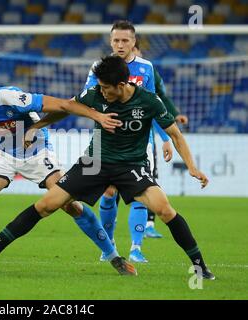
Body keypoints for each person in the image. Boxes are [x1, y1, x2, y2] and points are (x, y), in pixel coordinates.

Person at [0, 55, 215, 280]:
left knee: (165, 210)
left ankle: (200, 266)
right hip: (94, 161)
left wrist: (192, 167)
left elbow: (175, 134)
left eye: (106, 88)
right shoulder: (95, 94)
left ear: (121, 85)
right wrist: (35, 127)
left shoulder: (149, 101)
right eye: (100, 87)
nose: (102, 92)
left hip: (131, 166)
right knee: (46, 205)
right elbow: (64, 108)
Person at [0, 80, 136, 275]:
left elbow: (63, 105)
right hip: (3, 154)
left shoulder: (11, 98)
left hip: (38, 152)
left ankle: (113, 256)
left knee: (70, 205)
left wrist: (97, 116)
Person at [26, 20, 172, 263]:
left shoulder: (147, 68)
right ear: (110, 41)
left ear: (134, 42)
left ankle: (136, 247)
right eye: (116, 40)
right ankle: (109, 245)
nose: (120, 45)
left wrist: (165, 138)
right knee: (109, 191)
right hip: (105, 140)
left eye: (125, 40)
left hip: (139, 141)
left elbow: (152, 107)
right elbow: (84, 102)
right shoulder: (98, 68)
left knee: (140, 192)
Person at [132, 39, 190, 238]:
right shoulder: (114, 72)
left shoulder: (148, 71)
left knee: (149, 179)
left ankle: (148, 224)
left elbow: (159, 100)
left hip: (144, 137)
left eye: (133, 49)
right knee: (112, 191)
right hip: (116, 139)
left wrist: (172, 118)